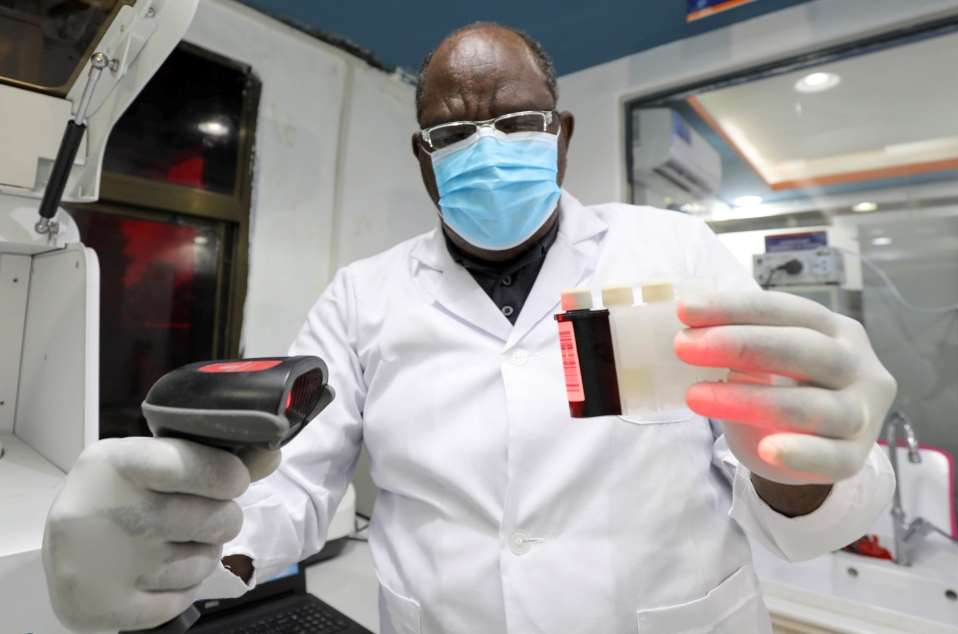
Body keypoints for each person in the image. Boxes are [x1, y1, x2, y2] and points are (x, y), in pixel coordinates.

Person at [43, 23, 897, 634]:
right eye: (454, 131)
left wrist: (799, 467)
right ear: (423, 157)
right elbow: (294, 487)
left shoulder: (671, 252)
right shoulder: (363, 297)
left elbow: (793, 510)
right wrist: (186, 556)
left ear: (560, 135)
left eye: (518, 121)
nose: (488, 147)